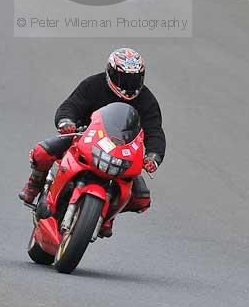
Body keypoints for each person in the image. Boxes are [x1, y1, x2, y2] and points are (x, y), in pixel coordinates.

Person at [18, 48, 165, 238]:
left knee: (141, 198)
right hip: (85, 137)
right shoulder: (93, 84)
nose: (129, 85)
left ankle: (107, 216)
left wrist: (153, 156)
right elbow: (71, 105)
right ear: (110, 73)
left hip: (122, 152)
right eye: (123, 79)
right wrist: (66, 122)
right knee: (42, 151)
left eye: (134, 79)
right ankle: (34, 183)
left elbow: (154, 130)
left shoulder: (147, 100)